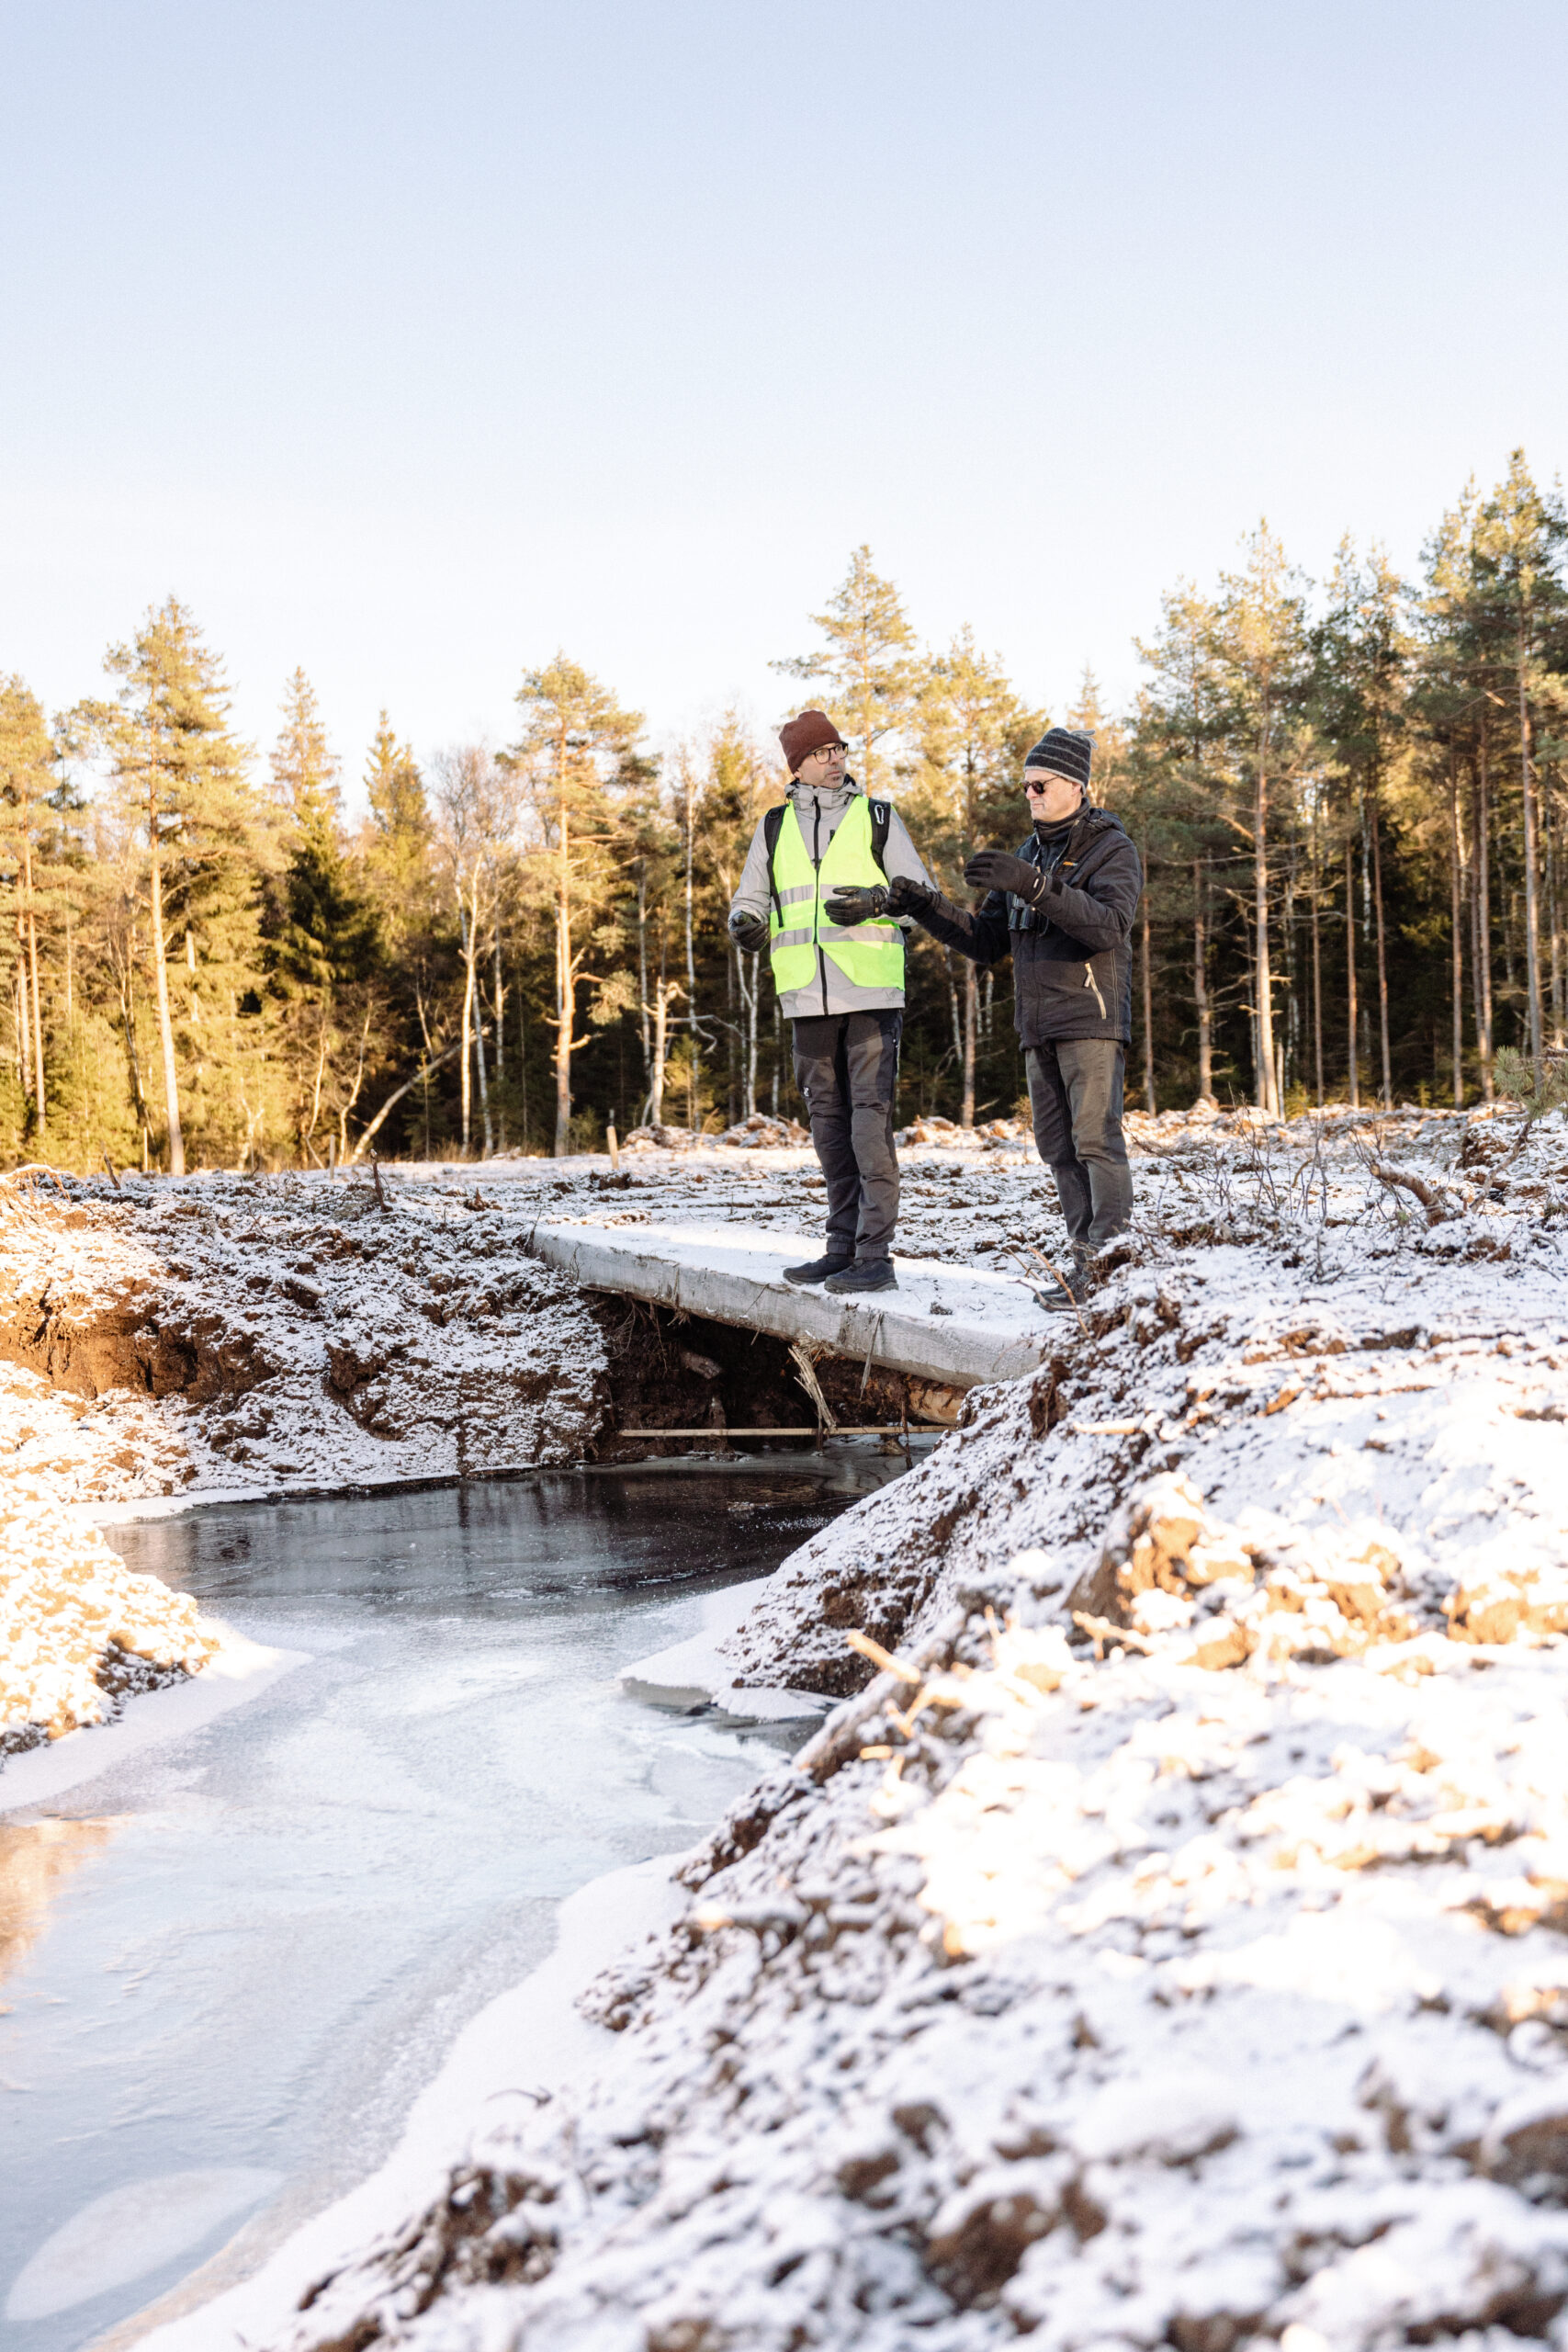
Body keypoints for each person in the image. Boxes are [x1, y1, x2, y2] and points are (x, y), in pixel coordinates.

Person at [875, 726, 1143, 1306]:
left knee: (1096, 1141)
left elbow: (1108, 925)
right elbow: (987, 941)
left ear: (1075, 783)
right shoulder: (1028, 852)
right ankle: (1083, 1266)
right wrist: (926, 905)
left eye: (1040, 784)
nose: (1030, 795)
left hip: (1091, 1018)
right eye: (1024, 786)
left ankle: (1113, 1267)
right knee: (1057, 1148)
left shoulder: (1111, 847)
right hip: (1037, 1026)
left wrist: (1035, 884)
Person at [728, 709, 934, 1294]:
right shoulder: (772, 827)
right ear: (797, 765)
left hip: (868, 993)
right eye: (822, 752)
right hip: (805, 999)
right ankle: (840, 1246)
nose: (836, 758)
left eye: (839, 748)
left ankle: (877, 1255)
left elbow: (923, 898)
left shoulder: (877, 818)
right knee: (828, 1129)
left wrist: (877, 901)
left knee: (869, 1128)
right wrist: (742, 922)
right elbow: (749, 899)